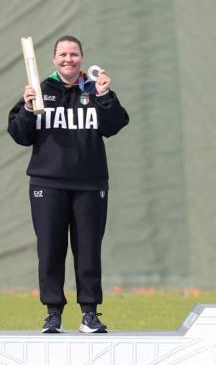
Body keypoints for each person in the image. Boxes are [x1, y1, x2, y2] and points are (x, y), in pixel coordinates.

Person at [8, 35, 129, 333]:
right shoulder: (40, 89)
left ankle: (89, 313)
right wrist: (26, 107)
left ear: (82, 58)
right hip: (47, 183)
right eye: (63, 54)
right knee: (50, 249)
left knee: (88, 249)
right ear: (53, 58)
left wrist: (104, 95)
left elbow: (115, 125)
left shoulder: (93, 87)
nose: (68, 59)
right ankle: (53, 313)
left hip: (90, 184)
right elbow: (19, 134)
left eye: (74, 54)